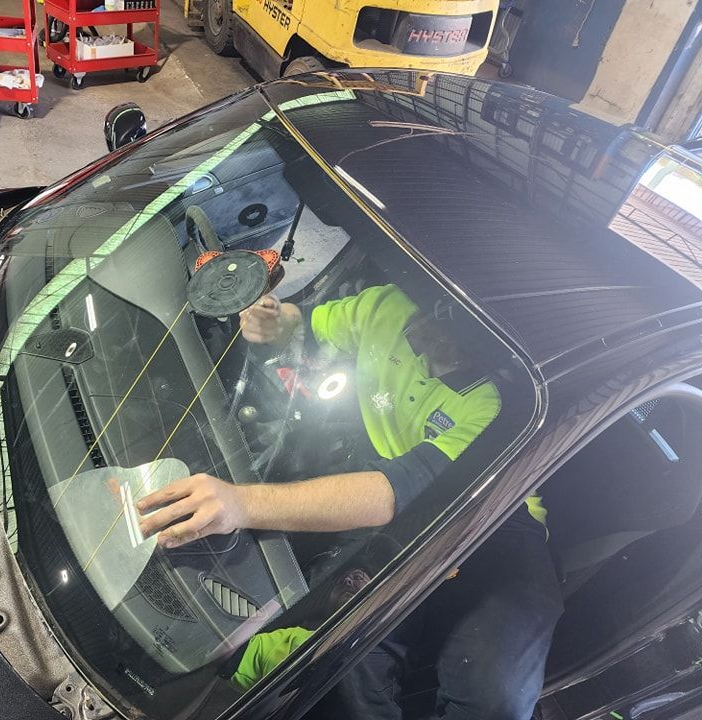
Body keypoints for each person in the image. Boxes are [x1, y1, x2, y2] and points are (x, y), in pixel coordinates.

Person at [137, 284, 561, 720]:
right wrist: (275, 322)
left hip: (496, 523)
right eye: (424, 316)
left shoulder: (492, 404)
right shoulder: (387, 306)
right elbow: (303, 324)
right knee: (341, 663)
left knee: (493, 702)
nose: (419, 331)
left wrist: (241, 503)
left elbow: (393, 491)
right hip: (400, 512)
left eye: (442, 332)